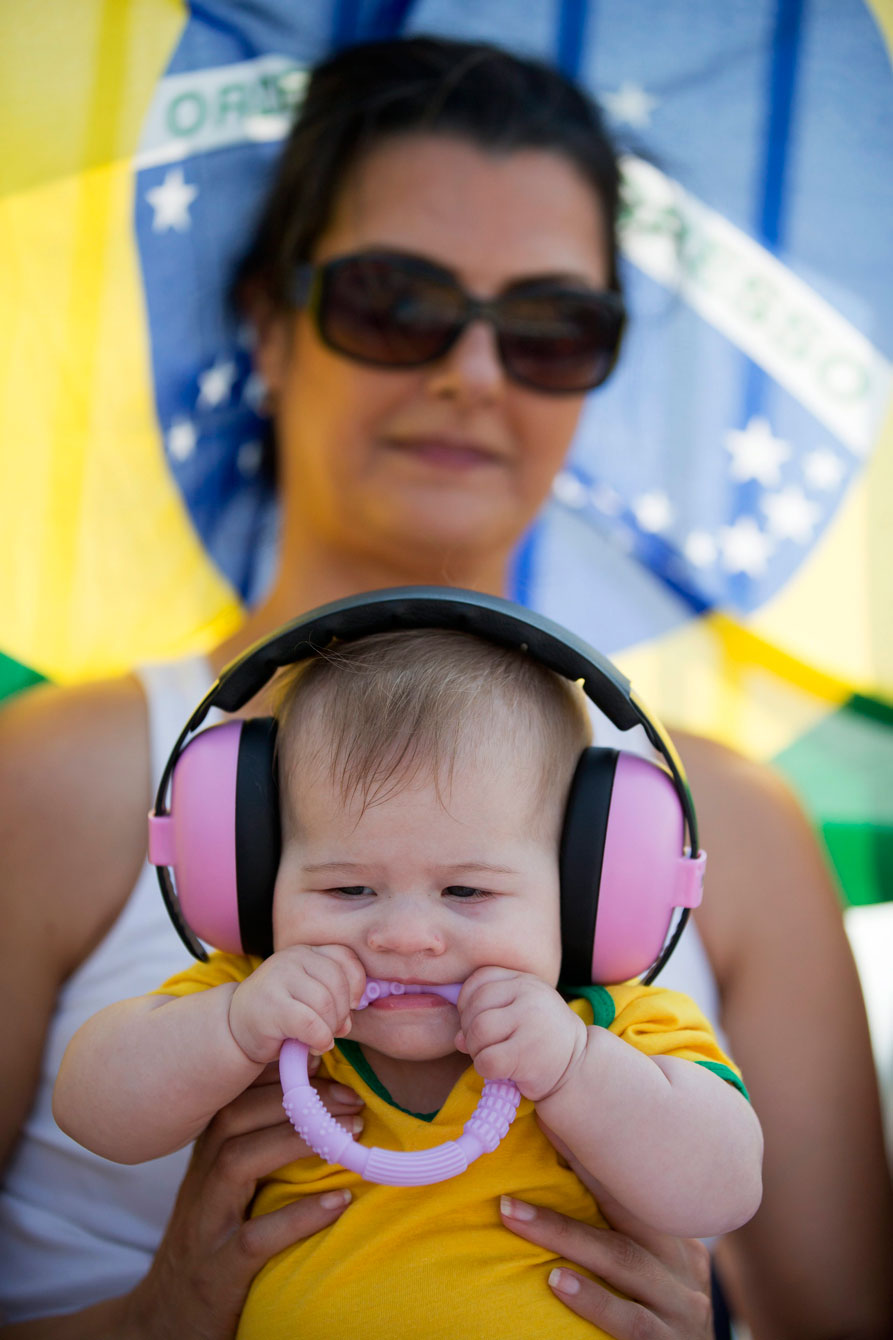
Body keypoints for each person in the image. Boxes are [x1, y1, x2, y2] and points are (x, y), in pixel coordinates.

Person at [0, 32, 889, 1340]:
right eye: (394, 301)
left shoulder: (739, 825)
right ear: (268, 325)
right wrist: (153, 1322)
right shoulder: (48, 773)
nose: (470, 372)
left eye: (549, 327)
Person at [53, 626, 763, 1340]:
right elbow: (92, 1112)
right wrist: (231, 1028)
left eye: (465, 891)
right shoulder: (252, 1001)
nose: (404, 937)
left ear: (582, 894)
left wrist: (577, 1068)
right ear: (260, 875)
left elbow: (723, 1192)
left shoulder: (620, 1028)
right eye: (349, 888)